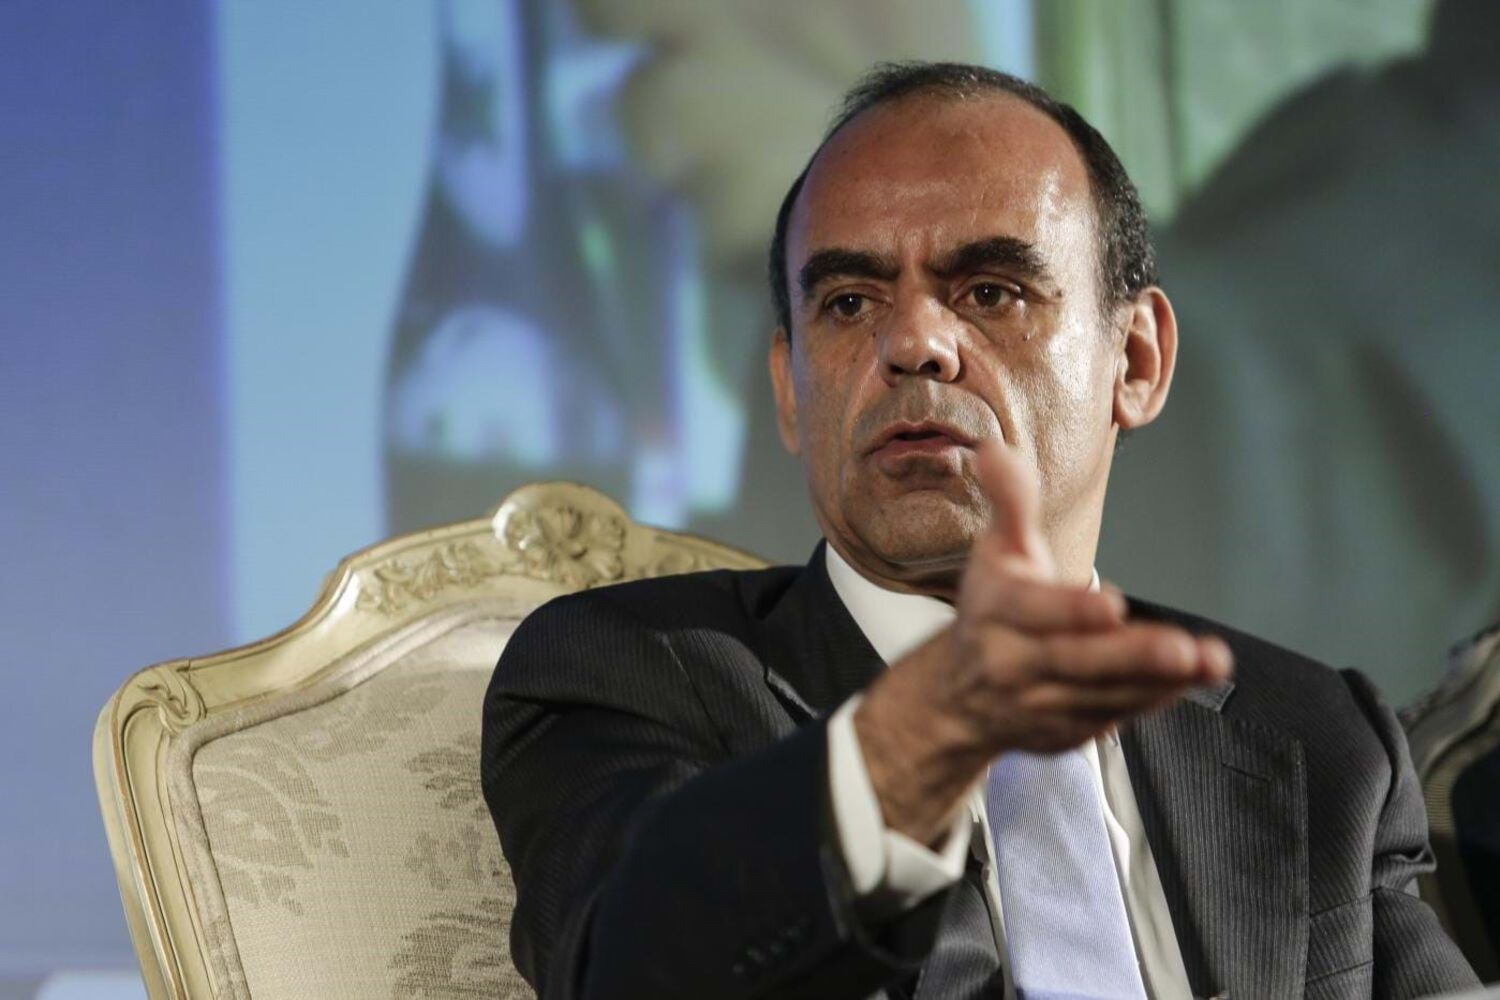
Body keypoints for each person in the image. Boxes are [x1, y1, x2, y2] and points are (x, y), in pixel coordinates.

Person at [481, 62, 1478, 999]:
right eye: (849, 301)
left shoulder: (1319, 737)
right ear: (789, 390)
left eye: (990, 290)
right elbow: (630, 967)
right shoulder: (629, 670)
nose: (913, 341)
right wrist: (922, 737)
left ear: (1136, 361)